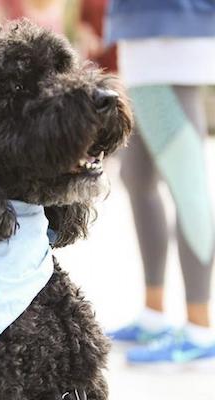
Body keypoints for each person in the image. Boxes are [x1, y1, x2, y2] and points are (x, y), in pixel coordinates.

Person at [105, 0, 215, 364]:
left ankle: (199, 328)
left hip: (170, 37)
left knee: (188, 185)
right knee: (137, 177)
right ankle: (154, 315)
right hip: (140, 35)